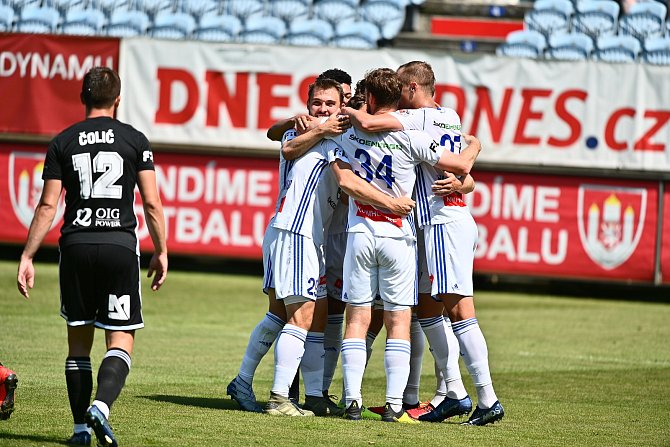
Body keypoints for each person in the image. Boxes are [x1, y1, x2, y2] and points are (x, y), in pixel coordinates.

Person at [343, 60, 504, 426]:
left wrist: (349, 110)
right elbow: (467, 160)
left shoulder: (414, 121)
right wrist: (472, 152)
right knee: (429, 309)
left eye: (401, 88)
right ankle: (455, 394)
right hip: (441, 220)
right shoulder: (452, 116)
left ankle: (487, 397)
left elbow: (367, 123)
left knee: (459, 310)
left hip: (443, 222)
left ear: (413, 88)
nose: (397, 97)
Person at [16, 67, 168, 446]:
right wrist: (162, 250)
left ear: (82, 98)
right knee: (121, 339)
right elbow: (151, 202)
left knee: (78, 345)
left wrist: (27, 256)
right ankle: (100, 406)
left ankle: (80, 431)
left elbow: (48, 206)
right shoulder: (135, 140)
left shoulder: (63, 141)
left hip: (76, 245)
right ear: (118, 100)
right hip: (119, 246)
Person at [227, 70, 352, 414]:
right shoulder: (308, 135)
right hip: (295, 232)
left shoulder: (325, 134)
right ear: (308, 105)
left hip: (298, 233)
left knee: (281, 316)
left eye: (331, 103)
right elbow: (287, 145)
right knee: (303, 317)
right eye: (317, 103)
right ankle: (281, 398)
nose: (324, 109)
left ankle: (244, 382)